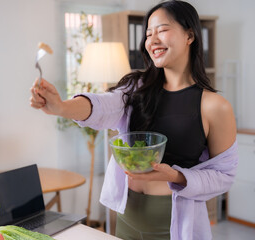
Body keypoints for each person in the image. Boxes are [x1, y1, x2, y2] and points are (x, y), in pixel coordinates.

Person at [30, 1, 238, 239]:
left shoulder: (215, 106)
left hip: (173, 222)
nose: (152, 40)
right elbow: (104, 105)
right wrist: (61, 107)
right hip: (128, 215)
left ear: (189, 35)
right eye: (148, 34)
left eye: (162, 30)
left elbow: (224, 176)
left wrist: (177, 176)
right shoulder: (137, 88)